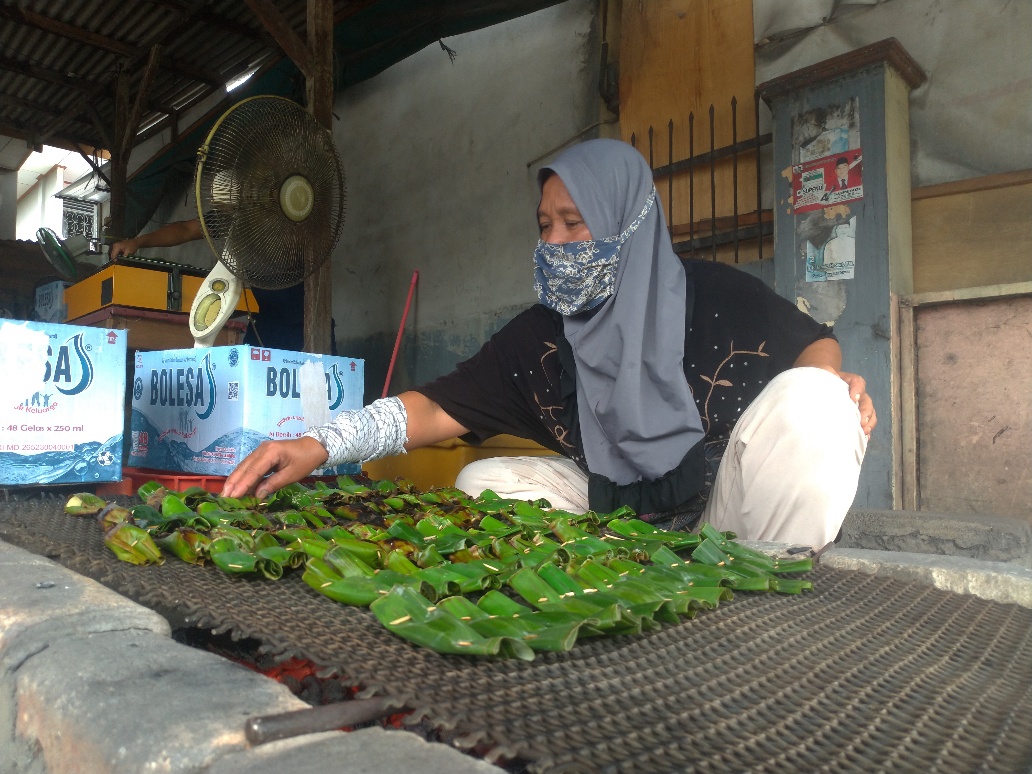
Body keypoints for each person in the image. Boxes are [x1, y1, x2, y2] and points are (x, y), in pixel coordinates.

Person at [221, 139, 876, 548]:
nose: (554, 243)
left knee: (817, 405)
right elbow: (426, 411)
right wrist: (322, 444)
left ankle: (769, 584)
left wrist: (834, 385)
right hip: (615, 523)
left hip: (724, 516)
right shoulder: (538, 340)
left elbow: (812, 346)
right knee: (483, 482)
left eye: (574, 222)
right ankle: (622, 574)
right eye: (544, 225)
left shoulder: (711, 292)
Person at [110, 219, 306, 351]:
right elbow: (186, 229)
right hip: (265, 324)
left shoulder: (286, 218)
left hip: (304, 325)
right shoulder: (235, 219)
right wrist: (138, 242)